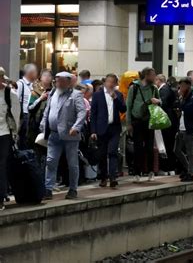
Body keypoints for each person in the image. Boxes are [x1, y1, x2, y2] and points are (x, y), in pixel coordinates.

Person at [41, 72, 87, 200]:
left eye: (61, 81)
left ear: (68, 82)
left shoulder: (76, 95)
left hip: (70, 135)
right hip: (54, 134)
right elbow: (48, 110)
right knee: (50, 161)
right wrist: (43, 123)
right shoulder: (52, 93)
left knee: (72, 163)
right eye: (57, 81)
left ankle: (73, 189)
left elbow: (82, 113)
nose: (58, 83)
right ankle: (48, 189)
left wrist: (76, 127)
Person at [90, 74, 127, 188]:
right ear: (105, 82)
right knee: (102, 154)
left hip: (114, 128)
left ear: (116, 83)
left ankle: (113, 177)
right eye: (108, 81)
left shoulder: (119, 95)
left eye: (112, 82)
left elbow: (123, 109)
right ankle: (103, 177)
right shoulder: (97, 95)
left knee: (113, 152)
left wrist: (115, 99)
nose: (110, 84)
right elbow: (93, 114)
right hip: (101, 128)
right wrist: (93, 131)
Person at [126, 67, 160, 182]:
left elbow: (160, 102)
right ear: (146, 75)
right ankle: (137, 172)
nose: (155, 77)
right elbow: (128, 106)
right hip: (137, 121)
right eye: (153, 75)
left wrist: (158, 102)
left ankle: (150, 171)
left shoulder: (154, 88)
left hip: (149, 121)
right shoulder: (134, 88)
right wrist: (128, 123)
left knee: (150, 148)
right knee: (138, 148)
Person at [0, 68, 20, 210]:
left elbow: (16, 115)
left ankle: (0, 198)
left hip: (4, 134)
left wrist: (15, 134)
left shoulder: (10, 94)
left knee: (1, 166)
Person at [174, 77, 193, 182]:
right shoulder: (183, 98)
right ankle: (187, 168)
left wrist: (181, 107)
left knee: (191, 152)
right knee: (176, 150)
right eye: (180, 86)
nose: (181, 88)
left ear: (188, 86)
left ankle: (190, 173)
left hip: (189, 129)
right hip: (181, 128)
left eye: (183, 86)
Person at [155, 74, 178, 176]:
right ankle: (171, 167)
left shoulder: (163, 90)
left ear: (158, 80)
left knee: (165, 144)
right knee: (169, 145)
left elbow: (162, 103)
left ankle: (166, 167)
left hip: (165, 120)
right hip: (171, 120)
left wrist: (155, 101)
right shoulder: (169, 89)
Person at [27, 69, 53, 148]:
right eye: (45, 75)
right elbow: (29, 108)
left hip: (51, 124)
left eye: (49, 76)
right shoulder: (34, 91)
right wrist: (40, 99)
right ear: (40, 78)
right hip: (36, 123)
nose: (47, 77)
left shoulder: (55, 91)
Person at [17, 63, 38, 149]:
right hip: (22, 115)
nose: (36, 75)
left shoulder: (31, 86)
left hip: (27, 114)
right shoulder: (20, 84)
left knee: (24, 137)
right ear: (30, 73)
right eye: (35, 72)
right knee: (21, 137)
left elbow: (30, 104)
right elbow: (16, 101)